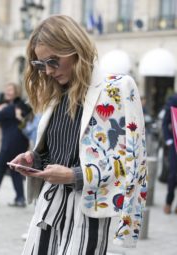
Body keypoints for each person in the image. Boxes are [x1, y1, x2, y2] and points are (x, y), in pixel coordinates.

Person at [10, 15, 147, 254]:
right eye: (42, 65)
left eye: (53, 61)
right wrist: (34, 159)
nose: (49, 71)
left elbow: (132, 163)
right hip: (49, 204)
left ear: (75, 49)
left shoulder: (117, 88)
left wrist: (75, 175)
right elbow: (58, 151)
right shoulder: (57, 95)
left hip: (88, 210)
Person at [162, 93, 177, 214]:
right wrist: (169, 140)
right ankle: (168, 202)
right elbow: (165, 122)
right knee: (173, 175)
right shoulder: (174, 98)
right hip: (175, 144)